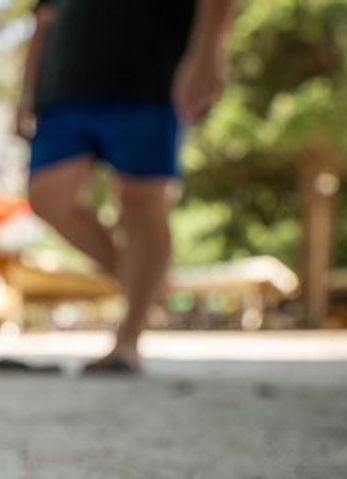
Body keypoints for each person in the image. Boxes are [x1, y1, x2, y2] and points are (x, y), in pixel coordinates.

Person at [18, 0, 236, 373]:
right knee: (46, 195)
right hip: (64, 88)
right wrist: (24, 95)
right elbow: (44, 23)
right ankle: (143, 282)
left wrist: (207, 53)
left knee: (142, 199)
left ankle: (127, 342)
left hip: (149, 76)